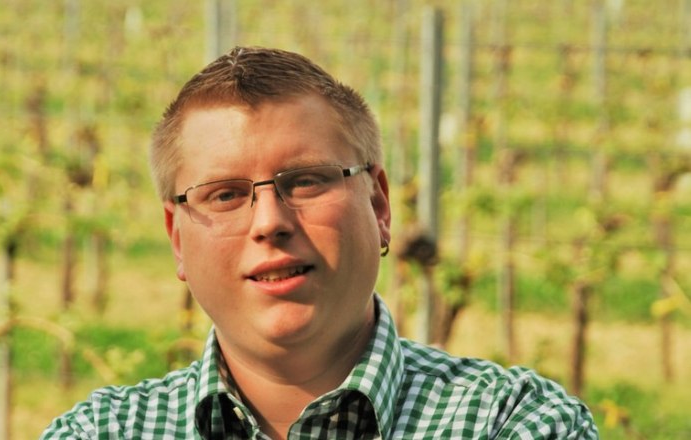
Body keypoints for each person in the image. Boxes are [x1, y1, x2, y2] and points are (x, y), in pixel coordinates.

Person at [42, 46, 598, 439]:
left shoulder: (513, 423)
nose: (269, 221)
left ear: (379, 206)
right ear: (178, 241)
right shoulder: (100, 431)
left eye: (305, 181)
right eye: (226, 195)